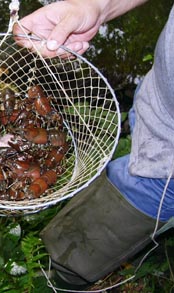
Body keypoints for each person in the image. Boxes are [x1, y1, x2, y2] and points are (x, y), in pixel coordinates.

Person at [13, 0, 174, 287]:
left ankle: (66, 277)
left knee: (145, 191)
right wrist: (95, 6)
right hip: (158, 103)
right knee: (129, 176)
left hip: (167, 168)